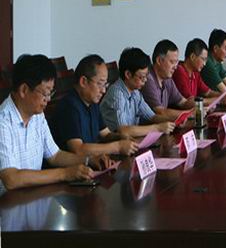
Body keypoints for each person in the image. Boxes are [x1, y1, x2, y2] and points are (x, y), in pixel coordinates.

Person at [0, 55, 98, 195]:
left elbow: (55, 156)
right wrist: (64, 174)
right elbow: (11, 179)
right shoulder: (3, 121)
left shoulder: (37, 116)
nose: (49, 99)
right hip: (8, 203)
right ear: (24, 90)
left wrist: (89, 160)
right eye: (45, 93)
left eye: (50, 92)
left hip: (32, 196)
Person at [50, 55, 138, 157]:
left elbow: (105, 134)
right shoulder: (68, 107)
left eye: (105, 84)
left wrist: (121, 138)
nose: (103, 90)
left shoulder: (92, 102)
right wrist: (118, 146)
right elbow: (78, 149)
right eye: (100, 84)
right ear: (83, 81)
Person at [100, 48, 175, 137]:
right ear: (128, 74)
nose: (145, 80)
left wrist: (173, 121)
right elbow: (124, 130)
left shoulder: (135, 92)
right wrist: (157, 128)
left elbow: (152, 117)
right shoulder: (117, 94)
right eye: (142, 77)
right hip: (113, 142)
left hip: (130, 140)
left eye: (146, 76)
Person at [141, 39, 196, 121]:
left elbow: (183, 102)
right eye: (172, 62)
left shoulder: (167, 79)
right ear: (159, 60)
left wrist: (200, 106)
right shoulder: (147, 79)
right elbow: (160, 112)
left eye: (176, 62)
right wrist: (189, 114)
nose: (175, 67)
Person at [173, 38, 226, 107]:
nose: (204, 64)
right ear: (192, 57)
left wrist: (223, 96)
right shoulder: (179, 71)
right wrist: (219, 100)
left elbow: (208, 92)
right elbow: (190, 101)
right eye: (203, 59)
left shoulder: (195, 72)